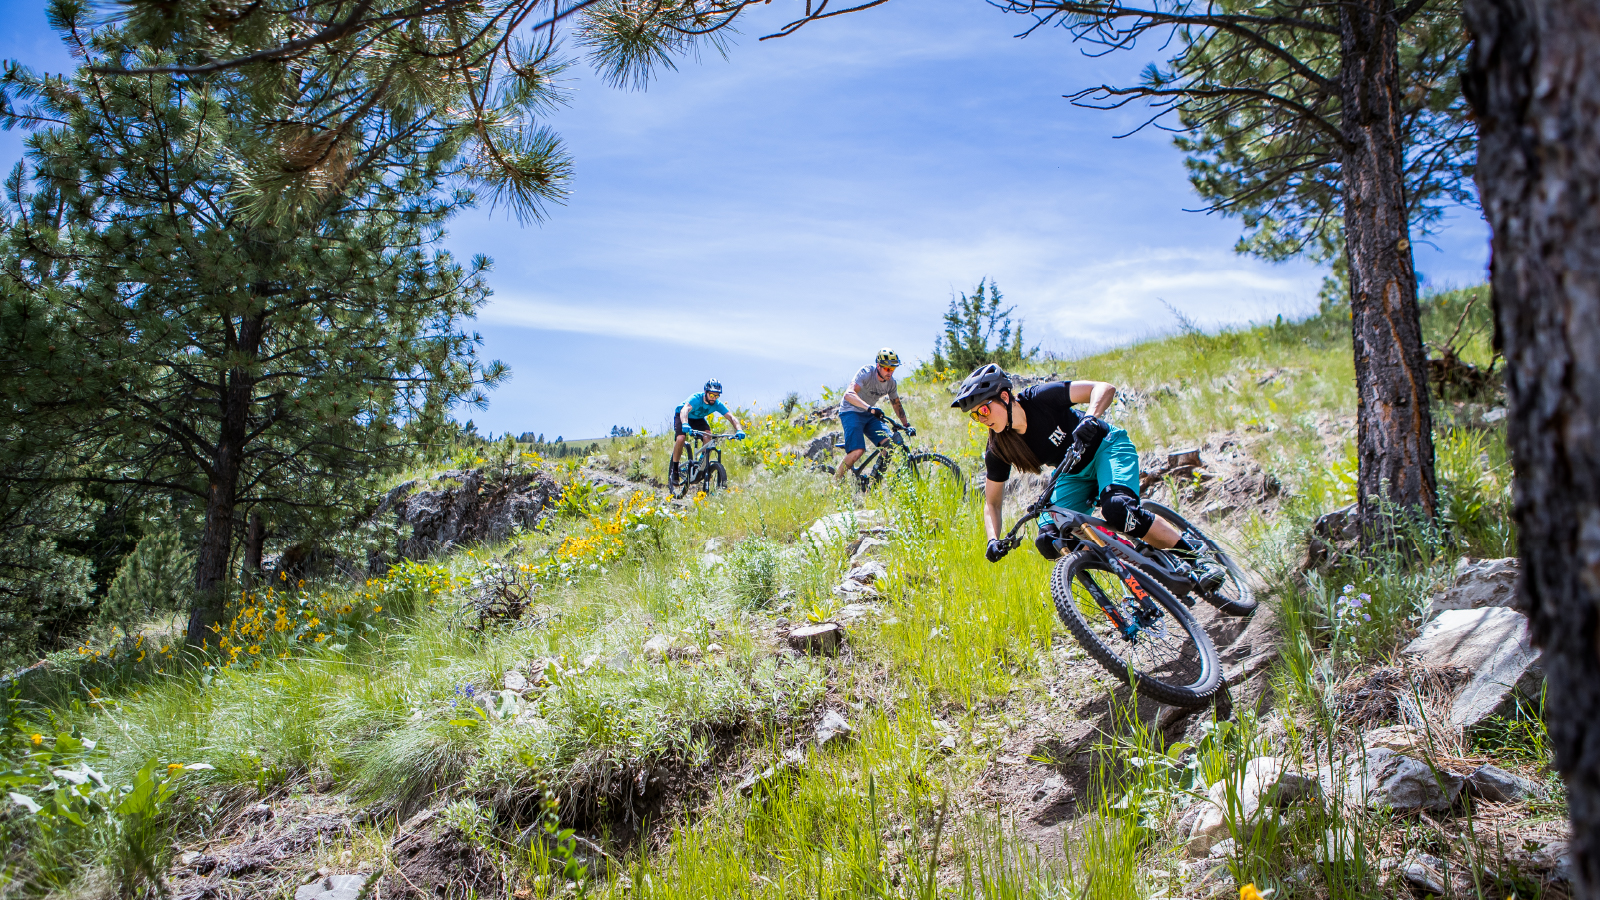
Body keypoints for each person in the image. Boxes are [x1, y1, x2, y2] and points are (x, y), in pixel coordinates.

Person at [951, 363, 1226, 590]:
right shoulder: (998, 448)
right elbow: (992, 502)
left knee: (1118, 509)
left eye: (984, 409)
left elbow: (1103, 388)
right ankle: (1131, 566)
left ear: (1005, 396)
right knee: (1050, 540)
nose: (982, 419)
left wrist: (1091, 418)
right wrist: (992, 539)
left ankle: (1196, 557)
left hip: (1106, 448)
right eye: (975, 416)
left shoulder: (1039, 398)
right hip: (1072, 473)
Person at [835, 348, 916, 479]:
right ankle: (834, 483)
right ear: (878, 366)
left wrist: (906, 425)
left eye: (893, 369)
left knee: (889, 444)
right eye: (887, 369)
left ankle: (873, 484)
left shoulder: (891, 383)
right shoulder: (866, 373)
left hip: (869, 413)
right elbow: (848, 394)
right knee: (857, 451)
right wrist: (869, 409)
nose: (890, 372)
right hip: (851, 411)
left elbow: (896, 404)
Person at [670, 380, 745, 485]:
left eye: (717, 396)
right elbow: (685, 410)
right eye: (711, 395)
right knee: (681, 438)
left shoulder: (717, 404)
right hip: (682, 416)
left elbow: (731, 417)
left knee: (708, 435)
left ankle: (702, 462)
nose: (714, 398)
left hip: (698, 419)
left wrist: (739, 429)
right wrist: (685, 423)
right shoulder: (696, 398)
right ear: (705, 392)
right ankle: (675, 470)